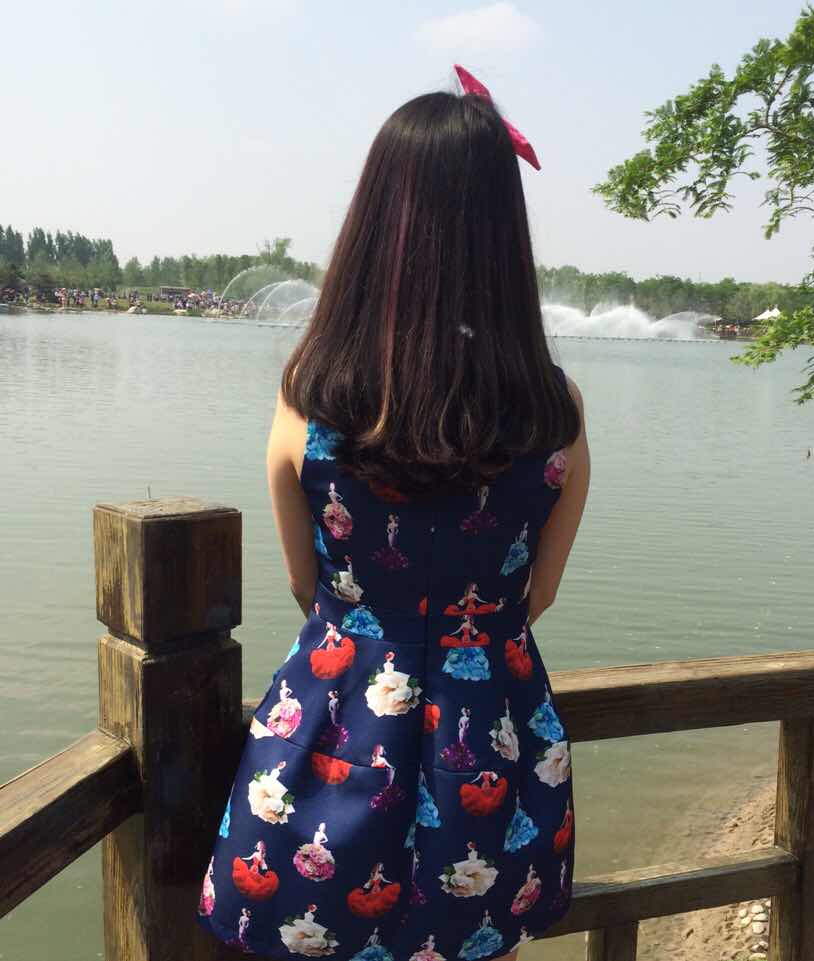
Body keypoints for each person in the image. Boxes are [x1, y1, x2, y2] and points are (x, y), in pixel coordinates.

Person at [197, 64, 589, 961]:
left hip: (333, 728)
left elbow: (304, 582)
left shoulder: (312, 395)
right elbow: (538, 594)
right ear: (504, 235)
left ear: (376, 222)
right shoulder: (555, 409)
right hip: (492, 732)